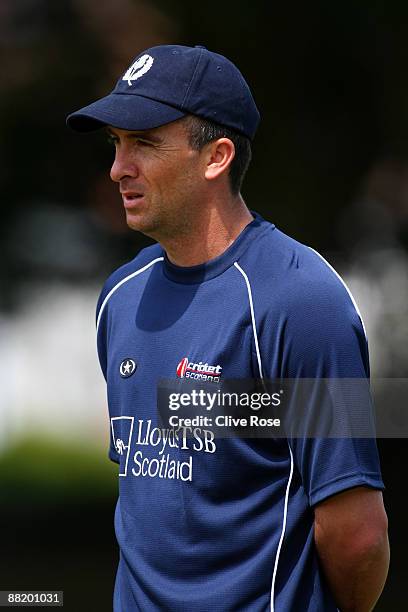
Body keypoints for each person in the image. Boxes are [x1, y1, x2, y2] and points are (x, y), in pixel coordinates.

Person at [67, 44, 389, 611]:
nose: (119, 167)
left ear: (216, 157)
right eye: (116, 144)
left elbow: (358, 538)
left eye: (143, 142)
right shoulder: (120, 297)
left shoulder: (301, 302)